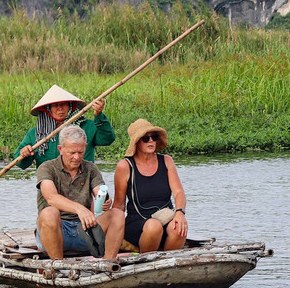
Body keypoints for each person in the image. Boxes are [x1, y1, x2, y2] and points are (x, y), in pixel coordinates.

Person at [35, 125, 125, 260]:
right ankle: (58, 265)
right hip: (56, 231)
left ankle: (107, 263)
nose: (77, 157)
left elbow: (99, 190)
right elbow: (51, 198)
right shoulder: (47, 168)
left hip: (85, 230)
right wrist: (79, 209)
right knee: (49, 213)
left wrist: (105, 200)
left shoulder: (91, 168)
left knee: (117, 214)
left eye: (80, 152)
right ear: (60, 149)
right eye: (72, 153)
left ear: (85, 148)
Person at [112, 119, 189, 253]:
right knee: (154, 226)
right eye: (146, 138)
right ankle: (146, 259)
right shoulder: (125, 166)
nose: (151, 141)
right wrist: (112, 232)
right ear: (136, 142)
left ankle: (167, 261)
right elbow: (119, 205)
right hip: (137, 221)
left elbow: (178, 192)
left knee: (179, 228)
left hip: (165, 217)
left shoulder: (166, 161)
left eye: (154, 137)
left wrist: (180, 213)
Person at [17, 84, 115, 168]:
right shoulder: (36, 134)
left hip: (82, 179)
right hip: (49, 181)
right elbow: (21, 164)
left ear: (70, 106)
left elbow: (107, 139)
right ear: (48, 109)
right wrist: (25, 153)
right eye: (55, 105)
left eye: (63, 104)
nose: (60, 108)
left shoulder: (86, 127)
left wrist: (98, 115)